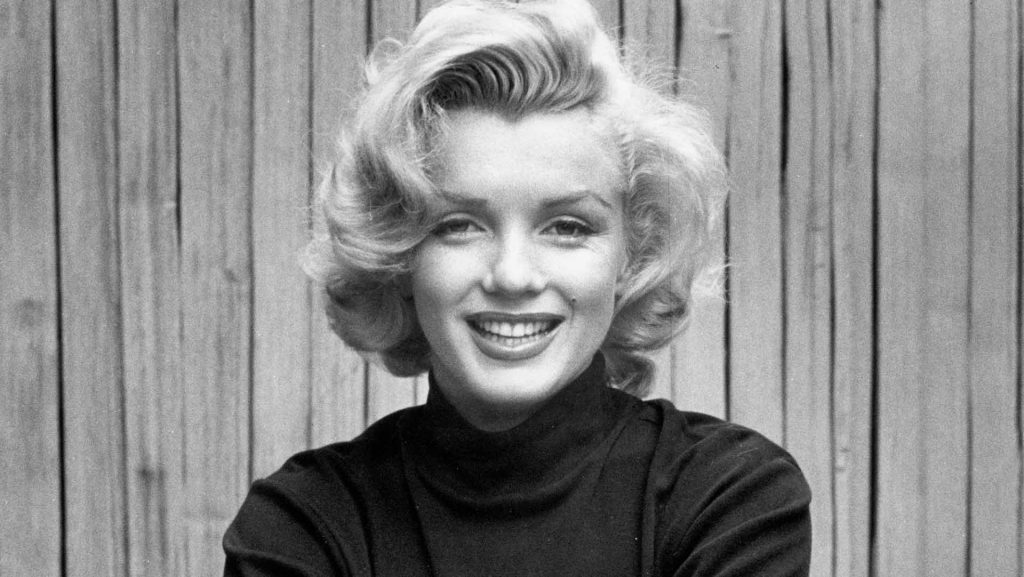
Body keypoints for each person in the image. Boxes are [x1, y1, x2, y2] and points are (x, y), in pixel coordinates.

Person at [223, 0, 811, 575]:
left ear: (632, 257)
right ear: (398, 256)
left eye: (567, 227)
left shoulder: (728, 497)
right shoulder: (303, 523)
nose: (512, 276)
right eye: (458, 225)